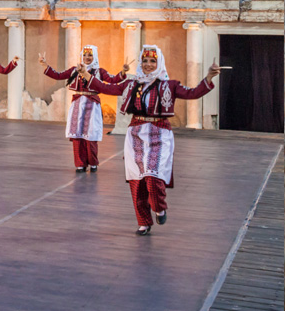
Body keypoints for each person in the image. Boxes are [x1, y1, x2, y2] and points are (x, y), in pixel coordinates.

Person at [77, 45, 220, 235]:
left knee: (153, 175)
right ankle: (143, 221)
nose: (148, 64)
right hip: (136, 132)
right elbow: (106, 87)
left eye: (152, 61)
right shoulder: (131, 84)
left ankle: (159, 207)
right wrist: (86, 75)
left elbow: (192, 93)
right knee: (137, 179)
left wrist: (209, 77)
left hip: (159, 133)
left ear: (159, 63)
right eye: (145, 61)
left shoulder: (170, 85)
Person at [39, 45, 128, 172]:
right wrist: (44, 65)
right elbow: (58, 75)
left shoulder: (99, 72)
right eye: (85, 55)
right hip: (77, 105)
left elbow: (113, 79)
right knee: (77, 136)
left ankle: (93, 163)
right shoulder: (75, 70)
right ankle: (80, 164)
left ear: (95, 56)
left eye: (90, 55)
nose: (87, 58)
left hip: (92, 105)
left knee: (90, 135)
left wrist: (123, 72)